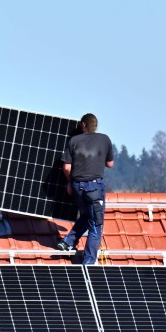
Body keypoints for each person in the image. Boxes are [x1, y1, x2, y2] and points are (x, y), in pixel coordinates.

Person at [56, 113, 114, 264]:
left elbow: (67, 167)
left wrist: (70, 182)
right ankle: (88, 263)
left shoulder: (73, 141)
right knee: (96, 225)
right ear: (95, 125)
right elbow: (110, 164)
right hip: (94, 188)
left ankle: (67, 242)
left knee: (87, 215)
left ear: (83, 125)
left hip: (77, 187)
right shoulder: (104, 139)